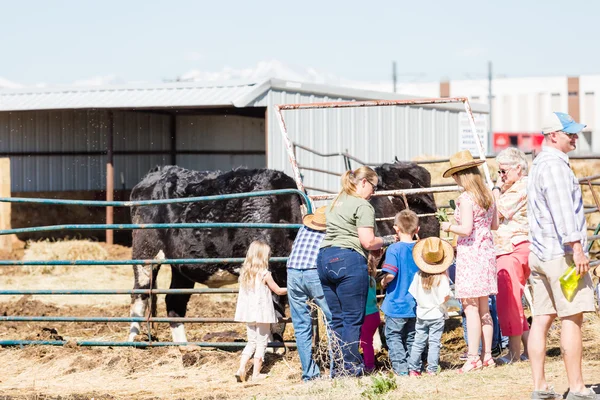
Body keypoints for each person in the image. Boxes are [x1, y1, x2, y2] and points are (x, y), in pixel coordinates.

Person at [527, 112, 597, 400]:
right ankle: (578, 388)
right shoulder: (555, 167)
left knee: (541, 318)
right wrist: (577, 247)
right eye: (570, 133)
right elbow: (563, 212)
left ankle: (540, 386)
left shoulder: (539, 164)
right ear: (553, 135)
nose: (575, 137)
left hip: (541, 252)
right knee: (572, 318)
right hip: (561, 255)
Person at [317, 165, 397, 377]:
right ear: (363, 182)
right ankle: (351, 368)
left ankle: (339, 367)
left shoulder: (337, 200)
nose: (374, 193)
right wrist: (389, 239)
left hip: (325, 259)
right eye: (374, 187)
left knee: (337, 319)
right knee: (353, 319)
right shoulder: (363, 206)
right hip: (348, 260)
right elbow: (368, 241)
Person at [440, 150, 499, 373]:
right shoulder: (488, 196)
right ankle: (487, 356)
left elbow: (465, 230)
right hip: (486, 253)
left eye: (456, 176)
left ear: (461, 175)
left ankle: (473, 356)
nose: (455, 180)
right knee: (484, 308)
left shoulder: (465, 198)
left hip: (470, 254)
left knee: (470, 307)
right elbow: (494, 226)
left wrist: (448, 226)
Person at [492, 147, 531, 365]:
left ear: (518, 168)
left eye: (504, 171)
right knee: (514, 301)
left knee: (510, 303)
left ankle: (514, 355)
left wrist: (497, 188)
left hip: (511, 248)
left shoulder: (521, 188)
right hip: (512, 247)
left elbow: (497, 211)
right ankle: (528, 349)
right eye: (499, 172)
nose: (501, 176)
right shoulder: (517, 186)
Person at [286, 205, 331, 382]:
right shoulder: (330, 232)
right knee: (331, 318)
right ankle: (336, 367)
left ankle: (309, 373)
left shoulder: (303, 228)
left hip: (293, 272)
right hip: (313, 272)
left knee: (301, 324)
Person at [234, 240, 288, 382]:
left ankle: (241, 369)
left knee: (251, 342)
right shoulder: (265, 274)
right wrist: (292, 288)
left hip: (249, 313)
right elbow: (277, 290)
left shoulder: (245, 273)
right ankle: (256, 374)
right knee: (262, 343)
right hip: (262, 314)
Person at [380, 209, 420, 376]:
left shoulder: (394, 249)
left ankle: (401, 370)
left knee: (393, 336)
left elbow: (390, 274)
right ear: (417, 229)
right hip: (416, 303)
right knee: (413, 336)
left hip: (396, 303)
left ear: (395, 228)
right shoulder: (420, 248)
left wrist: (382, 282)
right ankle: (414, 368)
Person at [407, 237, 453, 377]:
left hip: (422, 314)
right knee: (434, 343)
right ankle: (432, 369)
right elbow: (446, 296)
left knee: (418, 341)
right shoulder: (442, 278)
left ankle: (413, 368)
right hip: (437, 314)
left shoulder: (418, 276)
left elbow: (413, 293)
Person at [359, 257, 381, 373]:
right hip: (374, 314)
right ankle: (367, 362)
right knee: (368, 341)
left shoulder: (360, 280)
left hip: (366, 315)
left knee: (366, 343)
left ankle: (369, 366)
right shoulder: (371, 279)